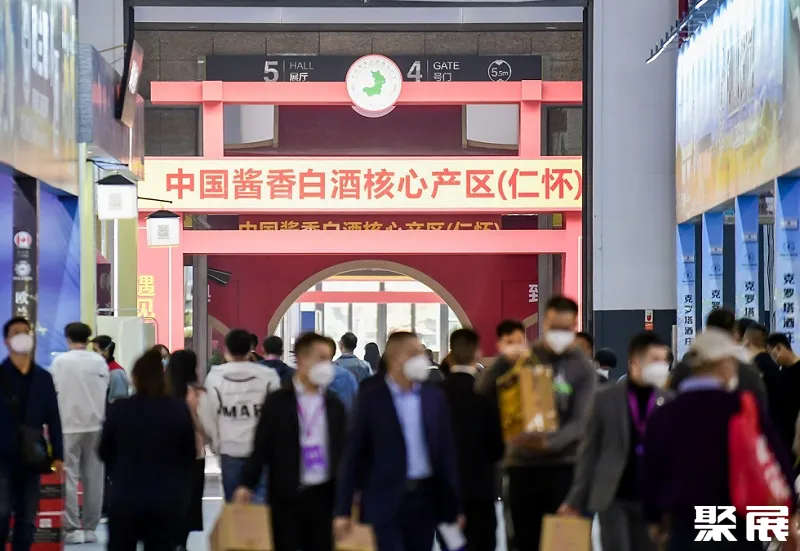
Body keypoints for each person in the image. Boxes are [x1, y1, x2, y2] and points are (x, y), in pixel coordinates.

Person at [643, 329, 798, 550]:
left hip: (686, 528)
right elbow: (776, 460)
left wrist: (654, 519)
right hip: (739, 528)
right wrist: (786, 519)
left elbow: (651, 472)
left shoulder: (665, 414)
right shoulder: (744, 406)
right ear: (725, 364)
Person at [476, 296, 597, 551]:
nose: (559, 334)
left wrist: (548, 443)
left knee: (561, 545)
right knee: (523, 541)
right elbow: (482, 391)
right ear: (545, 324)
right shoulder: (526, 358)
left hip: (564, 468)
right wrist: (502, 361)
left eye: (565, 328)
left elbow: (580, 422)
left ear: (574, 326)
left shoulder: (582, 368)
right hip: (522, 466)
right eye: (554, 327)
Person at [334, 331, 461, 551]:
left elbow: (446, 454)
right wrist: (343, 509)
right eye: (414, 354)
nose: (422, 359)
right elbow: (353, 452)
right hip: (384, 500)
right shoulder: (372, 397)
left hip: (425, 499)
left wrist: (455, 505)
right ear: (395, 358)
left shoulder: (434, 397)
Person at [560, 331, 672, 551]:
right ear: (635, 360)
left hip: (653, 498)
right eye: (655, 360)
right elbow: (589, 451)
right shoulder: (605, 398)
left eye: (664, 361)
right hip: (613, 495)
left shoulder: (668, 401)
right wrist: (575, 499)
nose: (661, 366)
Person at [234, 332, 346, 551]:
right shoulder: (278, 402)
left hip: (323, 497)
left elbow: (344, 451)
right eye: (321, 358)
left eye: (329, 359)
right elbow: (262, 445)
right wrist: (247, 483)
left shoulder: (334, 405)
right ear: (302, 359)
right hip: (285, 494)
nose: (327, 366)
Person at [99, 349, 196, 551]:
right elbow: (188, 454)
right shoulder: (178, 409)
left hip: (126, 495)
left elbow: (103, 450)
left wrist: (118, 471)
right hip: (165, 498)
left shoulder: (121, 409)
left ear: (135, 378)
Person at [0, 317, 63, 551]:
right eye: (16, 332)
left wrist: (59, 455)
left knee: (27, 517)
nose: (22, 336)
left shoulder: (43, 378)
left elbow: (54, 418)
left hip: (32, 457)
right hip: (2, 456)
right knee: (1, 513)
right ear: (6, 341)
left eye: (26, 332)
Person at [439, 329, 504, 551]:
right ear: (477, 353)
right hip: (480, 488)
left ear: (450, 354)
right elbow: (498, 444)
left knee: (452, 544)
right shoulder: (485, 394)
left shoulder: (435, 394)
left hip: (445, 489)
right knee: (482, 542)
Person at [198, 329, 280, 502]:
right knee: (262, 506)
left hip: (230, 448)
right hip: (262, 450)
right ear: (250, 348)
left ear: (226, 349)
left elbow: (207, 415)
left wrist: (216, 444)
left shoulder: (215, 377)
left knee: (234, 507)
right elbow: (277, 413)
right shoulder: (268, 376)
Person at [49, 322, 109, 544]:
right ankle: (91, 528)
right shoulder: (99, 361)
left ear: (67, 338)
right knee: (95, 478)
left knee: (70, 477)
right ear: (88, 339)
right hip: (96, 424)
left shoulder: (60, 362)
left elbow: (53, 391)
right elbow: (106, 387)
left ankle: (73, 528)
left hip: (68, 425)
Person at [668, 309, 767, 405]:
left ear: (707, 330)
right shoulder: (747, 372)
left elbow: (671, 401)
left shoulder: (685, 368)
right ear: (735, 334)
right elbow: (760, 408)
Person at [166, 350, 206, 551]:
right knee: (189, 498)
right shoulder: (198, 393)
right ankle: (181, 541)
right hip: (194, 452)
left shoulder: (161, 391)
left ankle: (168, 538)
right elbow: (205, 424)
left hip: (164, 452)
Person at [766, 332, 800, 461]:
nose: (773, 358)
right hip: (783, 436)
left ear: (779, 348)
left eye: (772, 354)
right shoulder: (782, 372)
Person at [92, 335, 129, 404]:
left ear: (105, 351)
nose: (93, 354)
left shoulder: (116, 372)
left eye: (95, 350)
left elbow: (119, 402)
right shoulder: (101, 368)